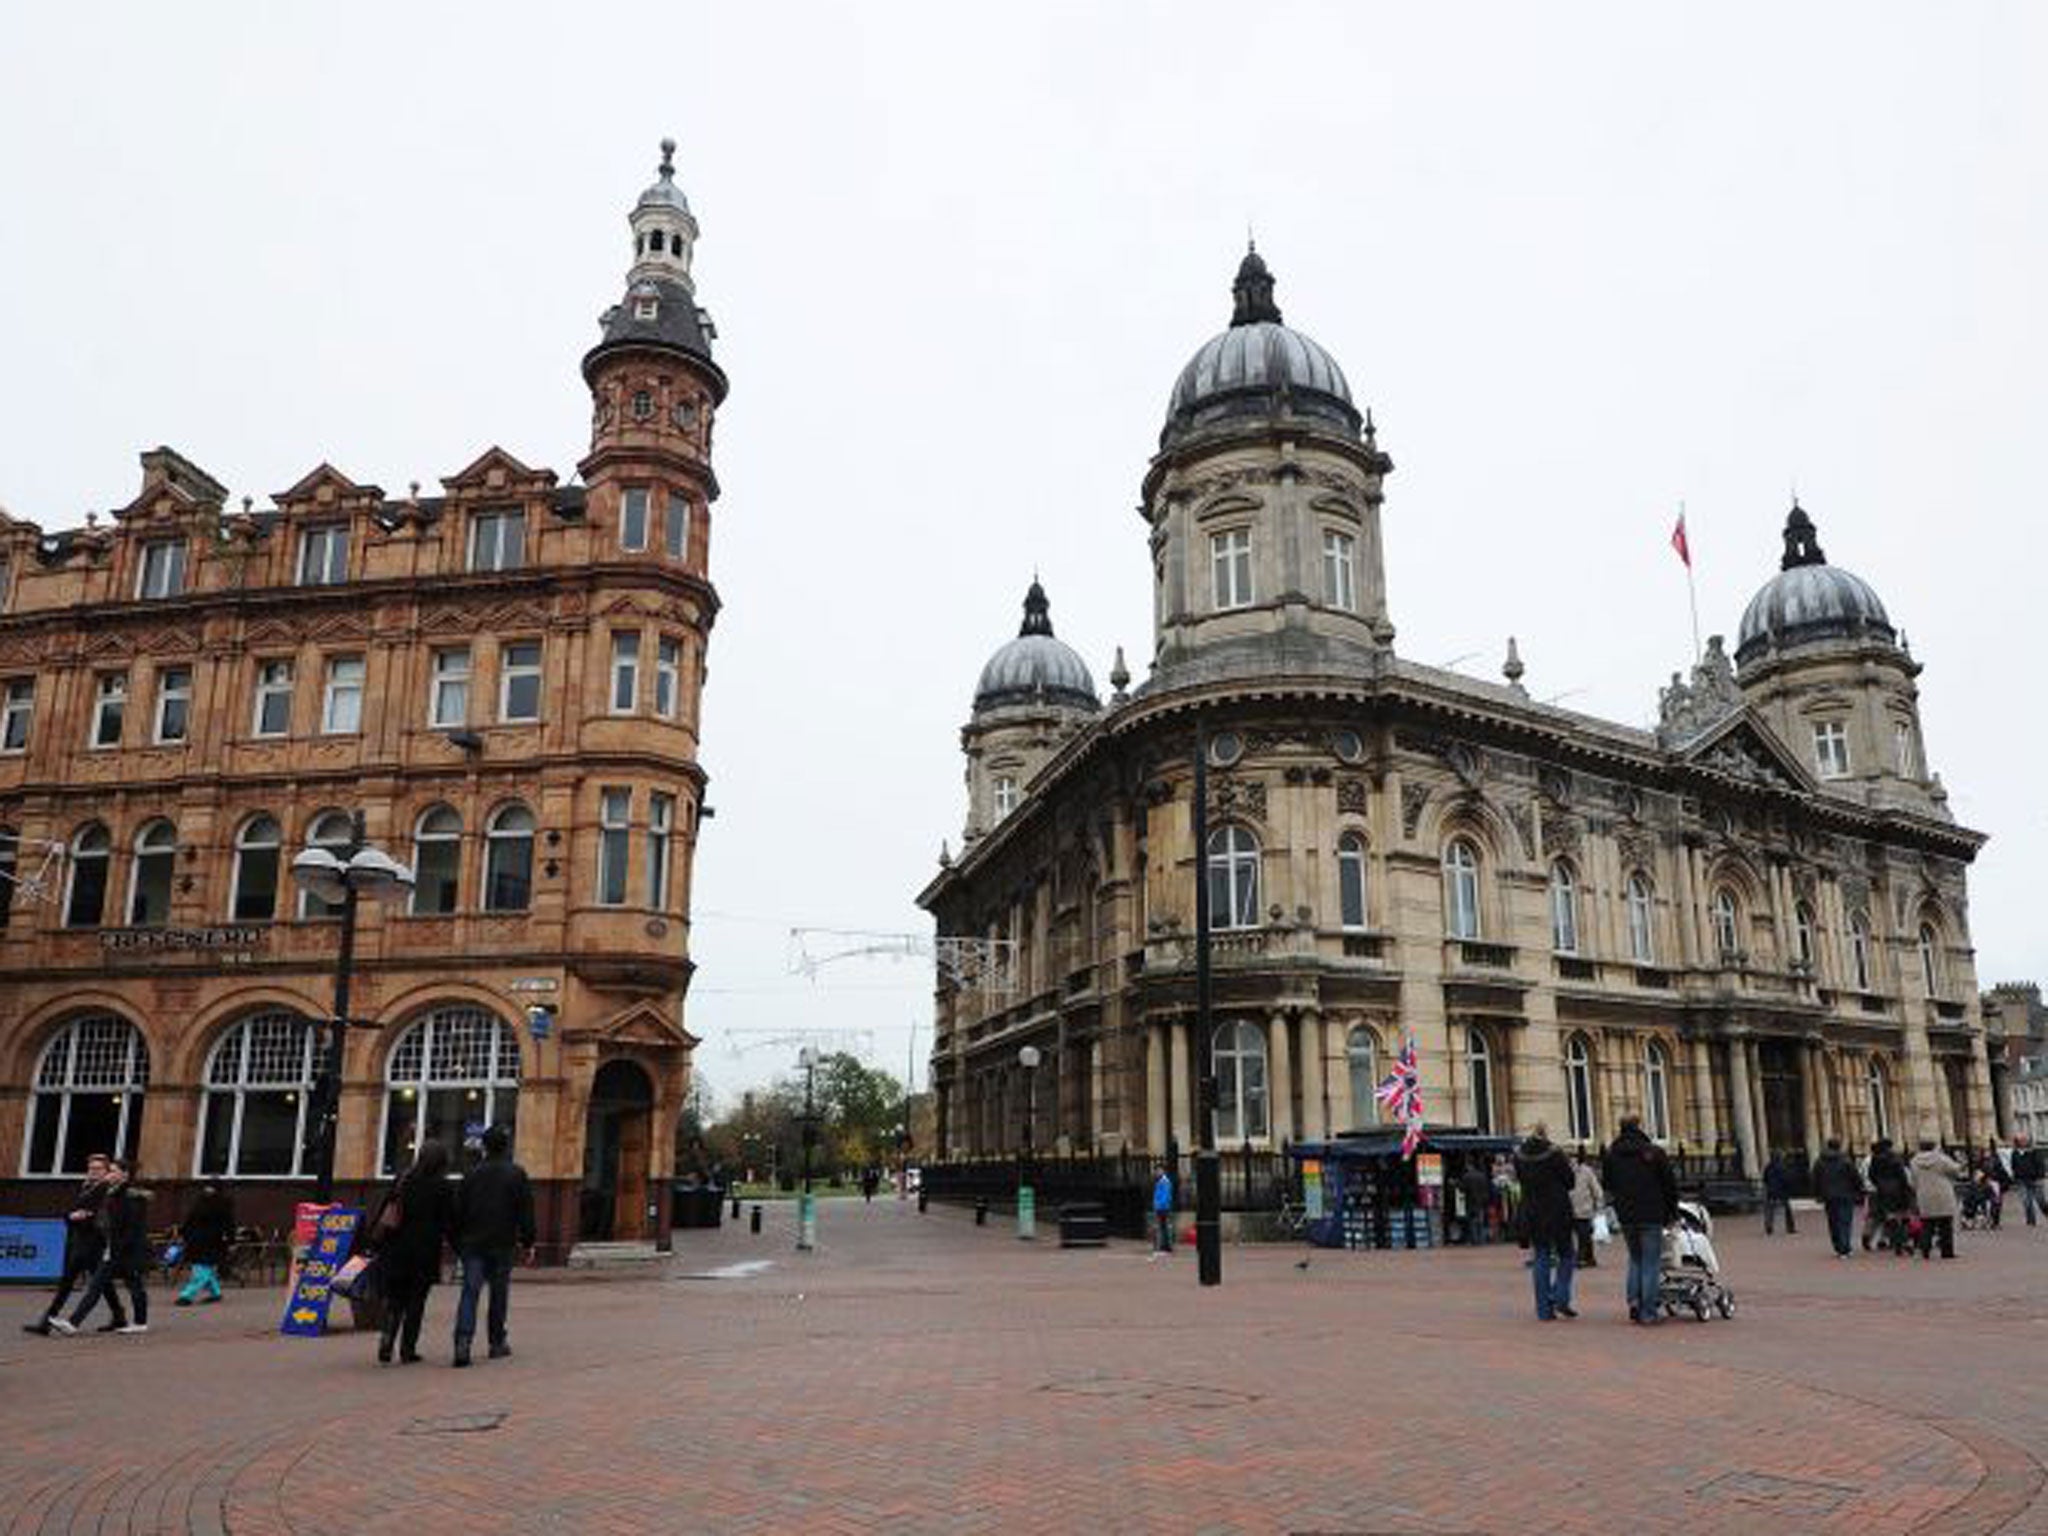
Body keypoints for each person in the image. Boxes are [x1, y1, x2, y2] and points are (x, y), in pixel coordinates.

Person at [451, 1124, 536, 1368]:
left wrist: (458, 1242)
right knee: (499, 1293)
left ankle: (463, 1342)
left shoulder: (471, 1174)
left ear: (484, 1147)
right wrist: (528, 1241)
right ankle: (496, 1342)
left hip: (472, 1243)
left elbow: (458, 1211)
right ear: (506, 1146)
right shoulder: (516, 1174)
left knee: (470, 1291)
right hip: (502, 1242)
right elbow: (526, 1211)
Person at [368, 1138, 455, 1364]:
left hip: (396, 1248)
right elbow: (448, 1222)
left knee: (394, 1298)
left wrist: (375, 1243)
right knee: (416, 1301)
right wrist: (457, 1246)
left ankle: (386, 1341)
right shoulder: (443, 1186)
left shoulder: (403, 1179)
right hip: (424, 1251)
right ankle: (408, 1350)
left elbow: (385, 1210)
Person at [49, 1158, 151, 1335]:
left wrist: (117, 1248)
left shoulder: (132, 1196)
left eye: (113, 1171)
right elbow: (97, 1210)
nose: (109, 1174)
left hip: (128, 1250)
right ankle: (73, 1324)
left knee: (135, 1286)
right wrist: (88, 1214)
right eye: (109, 1170)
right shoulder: (112, 1192)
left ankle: (140, 1322)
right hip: (113, 1249)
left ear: (124, 1174)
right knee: (96, 1286)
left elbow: (132, 1227)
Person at [23, 1153, 121, 1336]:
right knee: (69, 1283)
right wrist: (72, 1217)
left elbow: (96, 1212)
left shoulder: (106, 1190)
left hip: (96, 1243)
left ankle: (118, 1316)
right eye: (91, 1168)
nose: (93, 1172)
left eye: (98, 1169)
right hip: (80, 1241)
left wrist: (82, 1216)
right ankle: (46, 1321)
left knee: (101, 1284)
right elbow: (71, 1212)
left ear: (107, 1172)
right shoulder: (86, 1187)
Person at [1601, 1115, 1677, 1326]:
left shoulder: (1611, 1154)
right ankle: (1648, 1311)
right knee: (1651, 1262)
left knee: (1635, 1258)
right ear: (1639, 1127)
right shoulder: (1653, 1152)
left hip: (1626, 1214)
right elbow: (1669, 1185)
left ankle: (1634, 1301)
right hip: (1651, 1213)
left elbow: (1608, 1185)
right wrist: (1672, 1212)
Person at [1515, 1123, 1577, 1320]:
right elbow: (1570, 1181)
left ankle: (1543, 1309)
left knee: (1541, 1255)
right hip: (1557, 1208)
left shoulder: (1518, 1156)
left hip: (1532, 1210)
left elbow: (1521, 1181)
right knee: (1566, 1254)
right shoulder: (1555, 1153)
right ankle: (1560, 1295)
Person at [175, 1180, 235, 1306]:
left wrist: (230, 1240)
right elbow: (190, 1220)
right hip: (197, 1242)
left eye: (211, 1188)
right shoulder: (200, 1203)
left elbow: (229, 1224)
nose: (208, 1190)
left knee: (201, 1270)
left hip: (212, 1242)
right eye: (207, 1187)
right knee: (204, 1268)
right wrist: (183, 1233)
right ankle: (215, 1293)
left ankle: (186, 1295)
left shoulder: (221, 1205)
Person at [1908, 1138, 1963, 1260]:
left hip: (1924, 1195)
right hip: (1943, 1194)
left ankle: (1925, 1250)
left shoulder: (1914, 1161)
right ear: (1934, 1147)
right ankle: (1947, 1251)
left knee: (1927, 1225)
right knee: (1945, 1224)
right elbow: (1955, 1170)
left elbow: (1912, 1181)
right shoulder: (1941, 1159)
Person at [1811, 1138, 1863, 1258]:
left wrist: (1817, 1194)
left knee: (1833, 1221)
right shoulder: (1846, 1161)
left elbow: (1815, 1179)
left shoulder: (1820, 1161)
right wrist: (1859, 1190)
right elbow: (1855, 1177)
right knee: (1844, 1221)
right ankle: (1845, 1247)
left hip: (1829, 1196)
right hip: (1845, 1195)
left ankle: (1838, 1246)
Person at [1864, 1138, 1911, 1253]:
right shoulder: (1895, 1158)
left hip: (1883, 1190)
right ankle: (1903, 1241)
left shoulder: (1875, 1159)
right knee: (1903, 1216)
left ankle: (1896, 1241)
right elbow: (1902, 1175)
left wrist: (1880, 1184)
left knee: (1889, 1216)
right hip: (1898, 1190)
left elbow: (1871, 1175)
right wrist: (1905, 1188)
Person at [1570, 1154, 1605, 1268]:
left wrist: (1599, 1204)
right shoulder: (1564, 1170)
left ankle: (1581, 1258)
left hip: (1584, 1209)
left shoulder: (1586, 1171)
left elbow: (1596, 1189)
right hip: (1570, 1208)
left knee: (1583, 1234)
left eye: (1574, 1160)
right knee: (1584, 1234)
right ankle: (1589, 1258)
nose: (1572, 1163)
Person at [2011, 1133, 2046, 1228]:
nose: (2022, 1142)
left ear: (2027, 1141)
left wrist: (2040, 1177)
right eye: (2020, 1140)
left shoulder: (2034, 1151)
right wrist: (2015, 1177)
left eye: (2023, 1140)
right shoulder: (2015, 1153)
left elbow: (2040, 1165)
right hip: (2022, 1180)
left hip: (2035, 1180)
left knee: (2041, 1201)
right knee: (2026, 1201)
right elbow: (2013, 1166)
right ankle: (2031, 1221)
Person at [1459, 1159, 1493, 1246]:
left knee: (1472, 1222)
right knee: (1481, 1221)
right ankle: (1481, 1240)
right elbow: (1487, 1187)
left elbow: (1462, 1189)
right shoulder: (1482, 1176)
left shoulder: (1466, 1176)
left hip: (1471, 1201)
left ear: (1469, 1166)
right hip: (1482, 1202)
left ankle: (1474, 1240)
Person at [1761, 1152, 1797, 1236]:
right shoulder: (1782, 1167)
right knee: (1787, 1209)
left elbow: (1765, 1179)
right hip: (1781, 1191)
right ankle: (1790, 1227)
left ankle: (1769, 1227)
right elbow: (1786, 1179)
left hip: (1771, 1191)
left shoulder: (1768, 1167)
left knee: (1770, 1210)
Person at [1149, 1164, 1174, 1259]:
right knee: (1163, 1227)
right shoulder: (1160, 1181)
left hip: (1163, 1208)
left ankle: (1163, 1247)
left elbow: (1165, 1196)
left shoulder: (1164, 1181)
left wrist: (1158, 1205)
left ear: (1163, 1171)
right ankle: (1163, 1247)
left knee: (1162, 1227)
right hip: (1161, 1207)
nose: (1157, 1172)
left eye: (1159, 1170)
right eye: (1156, 1170)